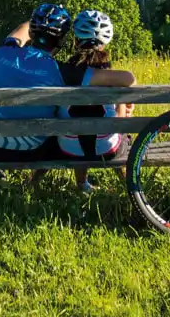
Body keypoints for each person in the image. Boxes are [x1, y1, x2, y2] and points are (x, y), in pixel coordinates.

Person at [0, 3, 71, 163]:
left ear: (32, 32)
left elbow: (19, 32)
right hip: (38, 153)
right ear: (62, 39)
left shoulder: (2, 53)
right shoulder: (60, 71)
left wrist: (40, 19)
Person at [57, 10, 135, 187]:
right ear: (106, 42)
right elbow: (130, 79)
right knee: (116, 128)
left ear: (75, 40)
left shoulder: (65, 70)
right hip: (107, 149)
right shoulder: (106, 74)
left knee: (79, 124)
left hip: (69, 147)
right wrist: (124, 107)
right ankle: (127, 183)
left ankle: (81, 183)